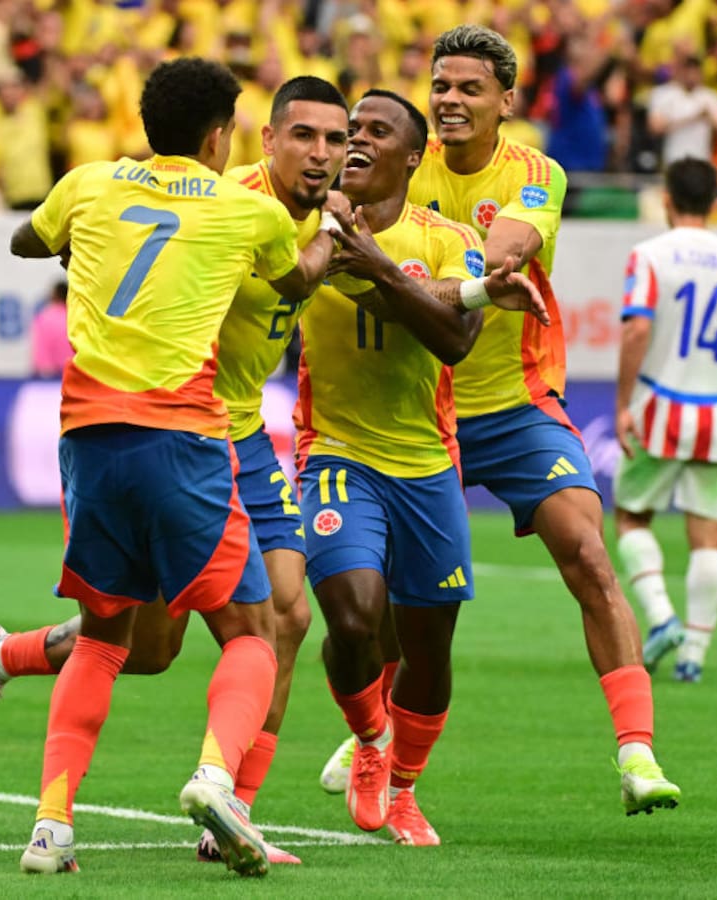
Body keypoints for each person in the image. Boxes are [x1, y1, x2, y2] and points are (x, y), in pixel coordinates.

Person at [0, 75, 350, 869]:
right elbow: (298, 276)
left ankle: (57, 824)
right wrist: (336, 232)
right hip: (189, 435)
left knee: (250, 621)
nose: (323, 153)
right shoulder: (245, 206)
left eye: (336, 140)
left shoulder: (90, 183)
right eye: (303, 135)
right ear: (233, 137)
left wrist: (83, 242)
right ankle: (205, 774)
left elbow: (27, 240)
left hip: (94, 434)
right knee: (220, 636)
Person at [320, 24, 682, 818]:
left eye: (469, 89)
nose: (450, 101)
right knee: (379, 604)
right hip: (415, 414)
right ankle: (372, 734)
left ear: (506, 102)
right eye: (441, 87)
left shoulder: (533, 173)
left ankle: (637, 753)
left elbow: (505, 255)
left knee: (588, 552)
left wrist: (447, 275)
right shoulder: (399, 169)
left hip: (517, 405)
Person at [299, 87, 523, 847]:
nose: (355, 142)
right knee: (355, 616)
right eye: (349, 130)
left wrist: (380, 268)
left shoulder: (448, 237)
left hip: (427, 467)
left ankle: (404, 788)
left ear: (413, 155)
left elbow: (455, 340)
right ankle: (368, 742)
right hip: (335, 452)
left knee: (429, 651)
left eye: (375, 132)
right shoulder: (304, 228)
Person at [613, 157, 717, 685]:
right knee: (708, 536)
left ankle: (662, 618)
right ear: (716, 201)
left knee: (632, 517)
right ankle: (694, 652)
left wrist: (623, 403)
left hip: (661, 404)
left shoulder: (650, 256)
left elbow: (636, 331)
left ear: (668, 200)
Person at [29, 280, 72, 378]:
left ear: (54, 296)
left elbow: (40, 351)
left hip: (49, 376)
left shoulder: (44, 317)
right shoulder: (77, 317)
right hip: (75, 374)